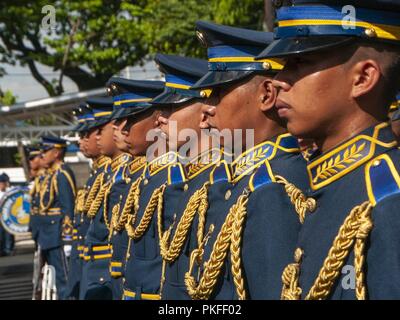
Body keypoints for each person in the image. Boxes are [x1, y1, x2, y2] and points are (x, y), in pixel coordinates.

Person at [257, 0, 400, 299]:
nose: (280, 81)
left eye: (300, 62)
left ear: (362, 78)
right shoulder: (331, 183)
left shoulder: (387, 200)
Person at [180, 21, 313, 300]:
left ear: (266, 94)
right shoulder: (247, 178)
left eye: (219, 92)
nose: (207, 109)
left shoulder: (272, 189)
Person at [105, 77, 164, 299]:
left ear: (158, 120)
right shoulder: (142, 177)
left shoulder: (169, 178)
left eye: (130, 120)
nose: (123, 130)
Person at [79, 97, 131, 300]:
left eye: (101, 130)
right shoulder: (106, 174)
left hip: (107, 270)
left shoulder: (124, 176)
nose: (97, 138)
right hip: (95, 266)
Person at [65, 105, 110, 299]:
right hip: (89, 261)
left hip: (102, 267)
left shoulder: (111, 175)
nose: (81, 141)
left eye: (86, 134)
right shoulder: (97, 175)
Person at [37, 135, 76, 299]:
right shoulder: (51, 174)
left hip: (58, 235)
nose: (42, 155)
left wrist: (67, 239)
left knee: (64, 281)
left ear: (57, 152)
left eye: (46, 151)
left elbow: (68, 207)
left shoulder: (62, 174)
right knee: (55, 280)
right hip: (48, 234)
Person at [0, 172, 15, 256]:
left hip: (8, 215)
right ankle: (1, 249)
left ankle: (8, 249)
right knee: (1, 234)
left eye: (4, 183)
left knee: (9, 233)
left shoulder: (9, 191)